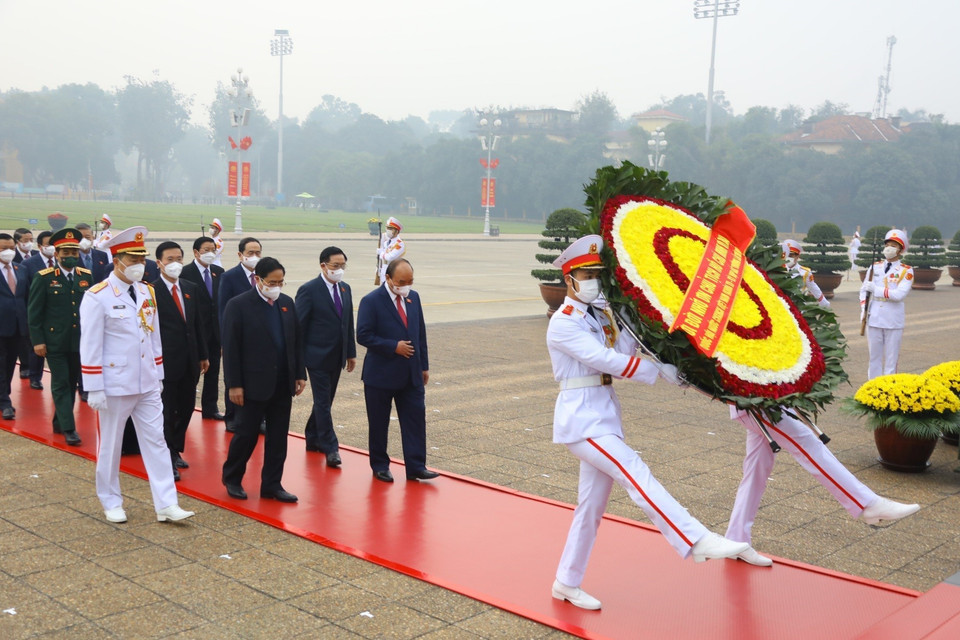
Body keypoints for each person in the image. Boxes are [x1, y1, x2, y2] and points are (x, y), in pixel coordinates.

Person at [546, 235, 748, 611]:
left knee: (589, 508)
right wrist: (657, 371)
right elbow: (604, 361)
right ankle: (694, 538)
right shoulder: (562, 323)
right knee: (635, 471)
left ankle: (566, 582)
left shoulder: (601, 311)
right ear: (569, 279)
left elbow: (621, 351)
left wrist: (631, 325)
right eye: (586, 274)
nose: (594, 280)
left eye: (597, 274)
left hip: (603, 414)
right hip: (581, 420)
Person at [79, 226, 194, 524]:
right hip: (115, 383)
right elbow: (90, 344)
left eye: (142, 259)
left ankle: (166, 503)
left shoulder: (147, 291)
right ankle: (111, 500)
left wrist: (158, 374)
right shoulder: (98, 296)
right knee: (111, 445)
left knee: (157, 441)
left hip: (146, 381)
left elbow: (152, 335)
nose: (139, 265)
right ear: (116, 260)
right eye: (133, 259)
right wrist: (94, 387)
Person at [726, 407, 920, 566]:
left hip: (761, 398)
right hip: (755, 402)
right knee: (806, 442)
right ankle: (866, 504)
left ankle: (736, 539)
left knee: (756, 472)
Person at [221, 257, 306, 503]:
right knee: (246, 435)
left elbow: (295, 341)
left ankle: (272, 484)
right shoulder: (239, 305)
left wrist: (299, 373)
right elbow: (232, 347)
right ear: (258, 279)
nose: (276, 286)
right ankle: (233, 477)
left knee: (278, 437)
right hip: (251, 384)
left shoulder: (286, 303)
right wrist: (234, 384)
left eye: (281, 282)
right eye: (272, 282)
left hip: (282, 382)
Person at [356, 258, 437, 483]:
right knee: (379, 423)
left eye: (410, 281)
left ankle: (416, 466)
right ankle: (380, 465)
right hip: (381, 375)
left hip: (411, 373)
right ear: (388, 279)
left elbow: (420, 333)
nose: (406, 285)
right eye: (402, 281)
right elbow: (363, 335)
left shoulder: (413, 297)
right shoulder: (371, 301)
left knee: (415, 421)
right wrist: (393, 347)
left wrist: (424, 366)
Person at [27, 228, 93, 445]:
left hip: (78, 341)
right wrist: (38, 341)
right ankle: (69, 428)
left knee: (72, 382)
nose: (71, 257)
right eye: (66, 253)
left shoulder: (86, 277)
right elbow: (34, 312)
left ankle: (58, 420)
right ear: (56, 254)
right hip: (54, 342)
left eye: (74, 253)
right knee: (61, 383)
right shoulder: (44, 278)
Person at [152, 241, 209, 481]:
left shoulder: (190, 288)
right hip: (165, 361)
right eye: (169, 259)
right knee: (166, 408)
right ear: (159, 263)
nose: (174, 264)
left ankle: (175, 447)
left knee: (186, 407)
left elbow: (198, 325)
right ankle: (166, 455)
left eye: (178, 259)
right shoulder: (150, 291)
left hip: (190, 360)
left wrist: (203, 354)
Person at [296, 246, 357, 466]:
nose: (339, 270)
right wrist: (298, 364)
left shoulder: (345, 289)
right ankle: (330, 447)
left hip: (337, 357)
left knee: (326, 401)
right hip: (316, 356)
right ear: (323, 265)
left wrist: (350, 352)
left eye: (343, 266)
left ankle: (312, 436)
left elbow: (347, 323)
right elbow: (298, 328)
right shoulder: (309, 290)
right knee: (322, 401)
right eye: (335, 266)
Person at [217, 236, 262, 431]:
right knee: (234, 377)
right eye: (250, 253)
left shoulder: (263, 275)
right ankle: (232, 417)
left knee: (258, 378)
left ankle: (258, 419)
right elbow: (222, 310)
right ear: (240, 254)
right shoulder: (229, 277)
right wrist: (224, 340)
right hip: (237, 336)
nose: (254, 256)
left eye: (258, 253)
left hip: (259, 338)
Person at [859, 229, 913, 379]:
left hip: (893, 319)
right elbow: (863, 290)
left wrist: (876, 290)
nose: (889, 248)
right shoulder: (874, 267)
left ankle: (889, 391)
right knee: (874, 358)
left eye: (893, 246)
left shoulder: (906, 271)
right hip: (874, 316)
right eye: (887, 244)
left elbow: (899, 295)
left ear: (901, 250)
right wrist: (863, 309)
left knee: (891, 360)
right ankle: (872, 388)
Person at [181, 236, 225, 420]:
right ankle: (186, 408)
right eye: (206, 250)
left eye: (213, 250)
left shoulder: (218, 271)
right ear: (196, 252)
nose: (210, 253)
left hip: (214, 331)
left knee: (213, 371)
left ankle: (210, 407)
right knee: (193, 373)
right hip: (195, 331)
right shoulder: (185, 272)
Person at [20, 231, 55, 391]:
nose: (52, 248)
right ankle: (35, 377)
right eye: (48, 244)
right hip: (38, 312)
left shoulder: (61, 262)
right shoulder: (29, 264)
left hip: (57, 313)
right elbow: (25, 290)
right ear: (40, 246)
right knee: (36, 347)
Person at [0, 233, 28, 421]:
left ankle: (3, 394)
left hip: (18, 326)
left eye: (11, 248)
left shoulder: (20, 269)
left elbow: (25, 297)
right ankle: (4, 402)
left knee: (10, 363)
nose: (8, 251)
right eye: (3, 248)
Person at [782, 239, 830, 308]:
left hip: (798, 307)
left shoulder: (804, 272)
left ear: (797, 256)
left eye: (791, 255)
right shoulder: (777, 269)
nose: (788, 257)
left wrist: (824, 304)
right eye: (786, 255)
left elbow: (814, 288)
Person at [376, 217, 405, 283]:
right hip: (384, 269)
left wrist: (381, 253)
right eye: (387, 228)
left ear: (397, 231)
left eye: (391, 229)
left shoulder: (399, 244)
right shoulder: (387, 242)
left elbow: (390, 257)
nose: (388, 230)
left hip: (393, 271)